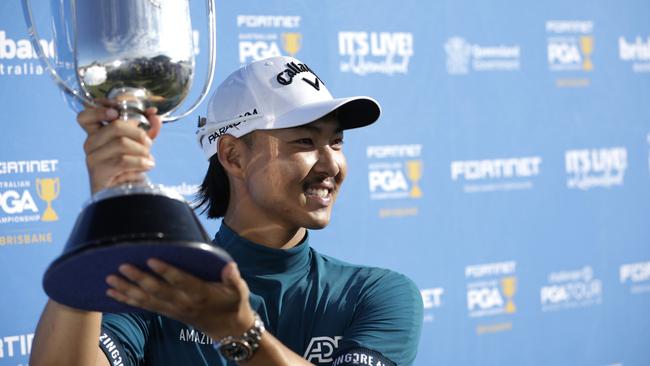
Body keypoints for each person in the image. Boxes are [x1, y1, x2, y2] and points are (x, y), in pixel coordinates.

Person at [29, 56, 423, 366]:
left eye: (336, 143)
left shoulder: (377, 294)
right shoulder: (160, 285)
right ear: (233, 156)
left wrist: (237, 331)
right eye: (305, 141)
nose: (330, 164)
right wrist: (107, 209)